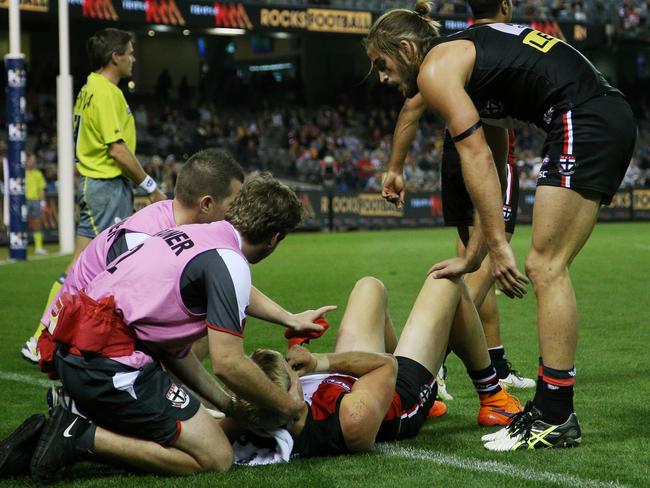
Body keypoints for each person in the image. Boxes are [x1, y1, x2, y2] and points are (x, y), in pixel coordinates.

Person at [365, 0, 636, 449]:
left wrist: (496, 242)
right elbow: (492, 160)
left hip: (581, 116)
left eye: (382, 63)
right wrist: (477, 252)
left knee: (545, 266)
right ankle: (553, 410)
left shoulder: (436, 70)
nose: (382, 77)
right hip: (599, 113)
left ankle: (554, 415)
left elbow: (473, 157)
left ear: (409, 49)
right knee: (548, 265)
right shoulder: (473, 65)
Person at [7, 175, 308, 483]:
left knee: (188, 430)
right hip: (108, 363)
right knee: (216, 456)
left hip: (76, 349)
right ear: (273, 238)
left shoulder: (191, 234)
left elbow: (174, 352)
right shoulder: (229, 263)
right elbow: (229, 364)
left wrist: (228, 406)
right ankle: (81, 433)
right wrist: (291, 408)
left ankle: (44, 438)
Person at [23, 149, 328, 365]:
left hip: (86, 334)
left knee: (216, 307)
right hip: (77, 343)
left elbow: (229, 287)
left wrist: (288, 318)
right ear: (207, 204)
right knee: (208, 316)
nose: (239, 212)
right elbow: (120, 316)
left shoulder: (177, 223)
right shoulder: (143, 237)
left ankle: (171, 394)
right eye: (234, 202)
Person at [382, 0, 534, 394]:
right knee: (479, 269)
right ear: (505, 6)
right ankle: (429, 367)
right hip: (484, 158)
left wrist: (395, 168)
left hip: (457, 153)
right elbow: (484, 148)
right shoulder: (479, 51)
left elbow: (410, 109)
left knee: (470, 261)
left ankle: (495, 362)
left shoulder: (450, 54)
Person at [232, 275, 523, 459]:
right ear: (290, 400)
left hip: (347, 380)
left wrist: (298, 343)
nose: (292, 371)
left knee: (369, 286)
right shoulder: (350, 420)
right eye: (291, 374)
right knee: (447, 283)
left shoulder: (255, 407)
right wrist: (318, 360)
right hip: (393, 392)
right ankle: (493, 397)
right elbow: (385, 366)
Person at [21, 28, 167, 364]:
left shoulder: (92, 87)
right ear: (115, 56)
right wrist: (152, 189)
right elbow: (117, 150)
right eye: (130, 52)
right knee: (109, 266)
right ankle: (50, 336)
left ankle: (45, 336)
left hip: (97, 185)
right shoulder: (104, 92)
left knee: (78, 269)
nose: (133, 57)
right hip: (105, 186)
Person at [24, 153, 49, 256]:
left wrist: (43, 203)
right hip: (24, 201)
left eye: (33, 161)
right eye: (30, 161)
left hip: (35, 201)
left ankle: (38, 247)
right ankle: (22, 245)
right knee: (22, 223)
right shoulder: (21, 173)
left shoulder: (38, 174)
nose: (32, 163)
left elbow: (41, 189)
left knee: (37, 223)